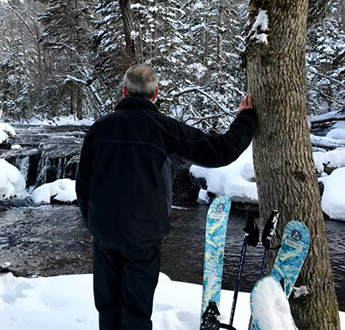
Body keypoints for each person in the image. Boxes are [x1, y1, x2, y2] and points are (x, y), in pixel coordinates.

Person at [75, 64, 256, 330]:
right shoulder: (165, 129)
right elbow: (222, 151)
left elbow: (84, 183)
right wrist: (246, 118)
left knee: (108, 305)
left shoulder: (99, 129)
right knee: (135, 310)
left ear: (125, 92)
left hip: (105, 232)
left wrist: (92, 223)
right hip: (144, 235)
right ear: (156, 93)